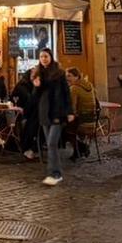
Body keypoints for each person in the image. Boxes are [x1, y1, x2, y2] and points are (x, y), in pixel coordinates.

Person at [33, 48, 72, 186]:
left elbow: (66, 93)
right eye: (41, 56)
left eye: (46, 56)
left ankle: (55, 173)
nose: (43, 59)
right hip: (44, 113)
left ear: (51, 57)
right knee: (50, 145)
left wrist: (69, 111)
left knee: (51, 143)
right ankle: (55, 172)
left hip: (57, 112)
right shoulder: (37, 74)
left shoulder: (59, 73)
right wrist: (37, 86)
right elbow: (35, 97)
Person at [66, 67, 98, 160]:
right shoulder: (89, 85)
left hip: (81, 122)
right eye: (66, 76)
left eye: (69, 76)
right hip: (92, 120)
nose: (67, 78)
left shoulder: (74, 88)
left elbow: (72, 108)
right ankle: (79, 150)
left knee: (62, 129)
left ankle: (82, 148)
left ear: (77, 77)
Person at [11, 67, 40, 158]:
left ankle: (32, 147)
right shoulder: (23, 85)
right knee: (33, 122)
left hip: (30, 112)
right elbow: (29, 101)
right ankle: (29, 148)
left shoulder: (33, 85)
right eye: (33, 76)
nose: (34, 78)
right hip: (22, 112)